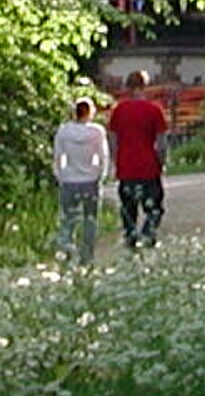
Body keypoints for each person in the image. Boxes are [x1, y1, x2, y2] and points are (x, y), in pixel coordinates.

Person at [106, 72, 170, 250]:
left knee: (128, 207)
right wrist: (162, 162)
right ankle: (148, 234)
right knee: (154, 206)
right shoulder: (154, 110)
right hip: (148, 166)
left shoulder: (119, 110)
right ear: (145, 86)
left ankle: (131, 236)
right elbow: (161, 142)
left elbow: (112, 139)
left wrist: (116, 159)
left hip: (126, 167)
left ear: (128, 87)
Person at [48, 96, 108, 264]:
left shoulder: (63, 131)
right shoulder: (97, 132)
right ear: (90, 112)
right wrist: (100, 175)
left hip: (69, 180)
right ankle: (87, 255)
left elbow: (58, 157)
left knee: (68, 218)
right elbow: (103, 156)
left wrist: (60, 175)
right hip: (90, 180)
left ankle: (67, 252)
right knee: (90, 219)